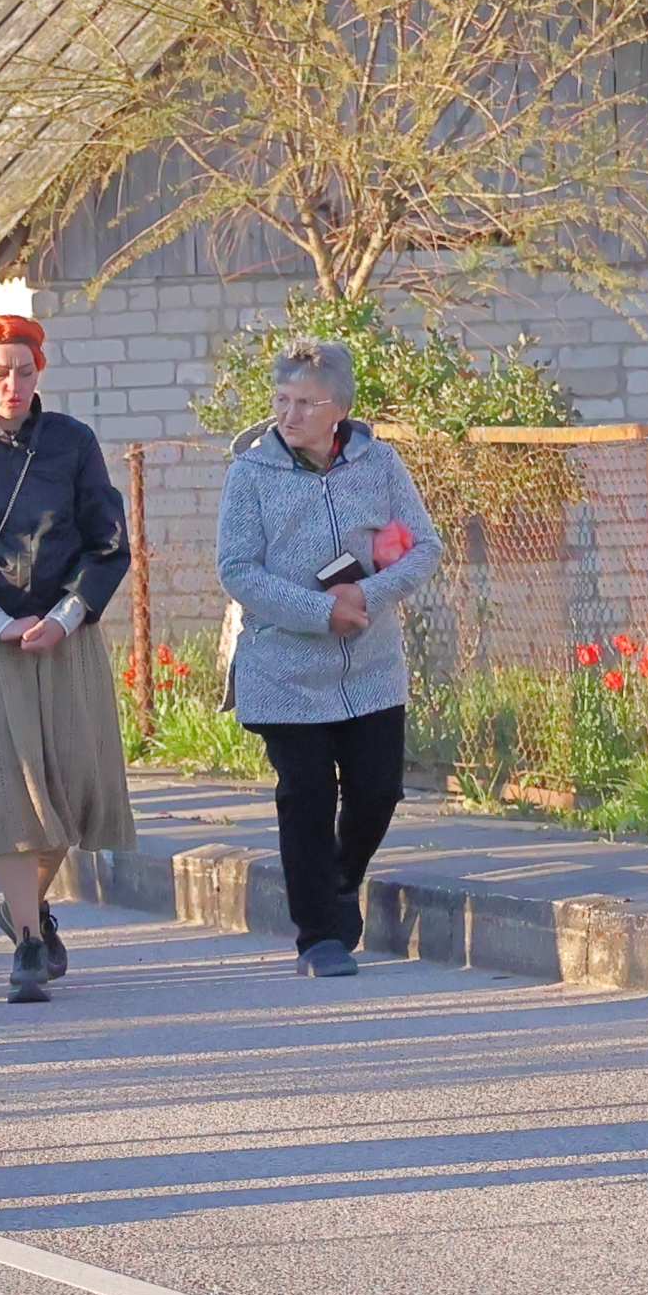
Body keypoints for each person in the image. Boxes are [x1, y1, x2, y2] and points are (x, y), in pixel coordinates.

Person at [0, 316, 137, 1002]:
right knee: (13, 791)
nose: (14, 383)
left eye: (26, 370)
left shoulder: (72, 442)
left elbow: (108, 539)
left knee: (73, 785)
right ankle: (31, 946)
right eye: (0, 371)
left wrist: (66, 615)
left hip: (65, 637)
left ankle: (21, 908)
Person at [216, 339, 442, 979]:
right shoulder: (251, 473)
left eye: (305, 404)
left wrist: (363, 594)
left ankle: (340, 878)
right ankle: (318, 935)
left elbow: (426, 546)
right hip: (282, 668)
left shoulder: (381, 464)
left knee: (378, 791)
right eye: (281, 401)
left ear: (338, 409)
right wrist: (320, 612)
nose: (288, 416)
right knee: (307, 794)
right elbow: (237, 570)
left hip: (370, 665)